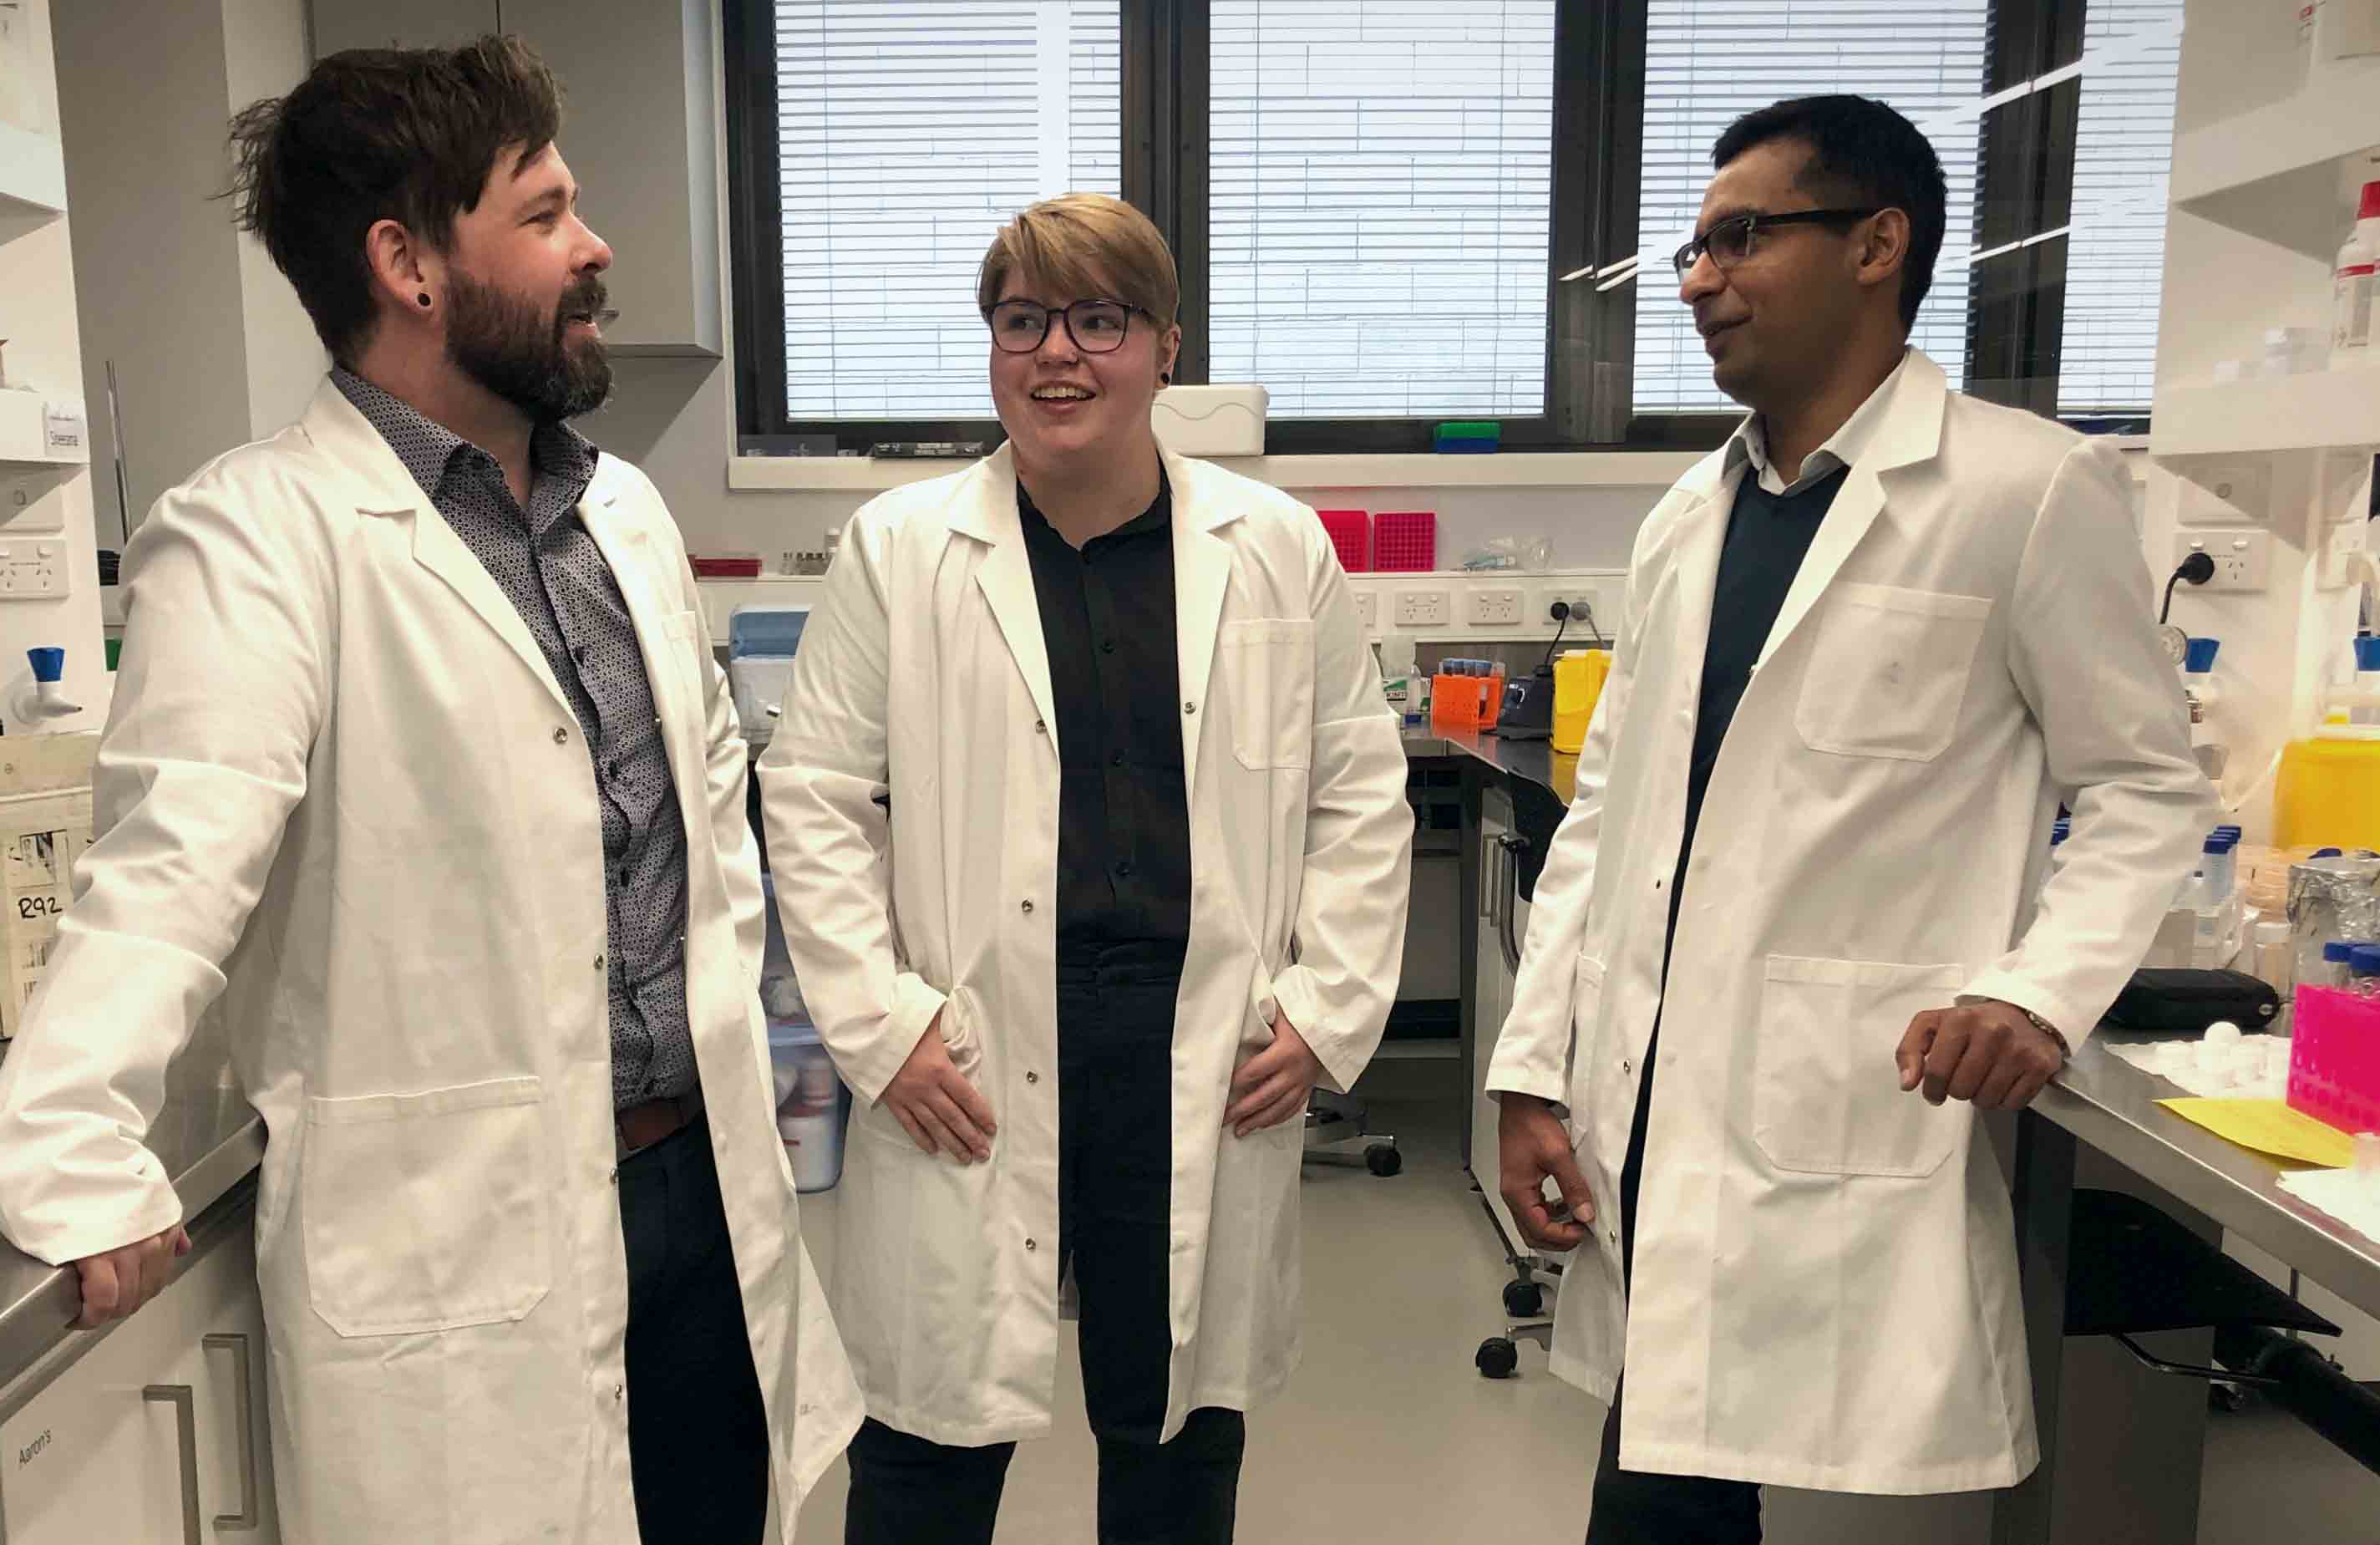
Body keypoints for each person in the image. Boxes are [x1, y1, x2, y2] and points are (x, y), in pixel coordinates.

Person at [0, 37, 856, 1544]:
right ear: (409, 265)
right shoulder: (255, 538)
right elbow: (172, 861)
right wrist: (67, 1133)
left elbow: (708, 816)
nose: (595, 247)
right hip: (463, 1249)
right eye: (545, 212)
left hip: (705, 1205)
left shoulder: (623, 510)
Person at [1486, 95, 2216, 1542]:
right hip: (1650, 1090)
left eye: (1740, 238)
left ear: (1877, 245)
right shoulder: (1686, 516)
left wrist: (2037, 990)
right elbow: (1606, 817)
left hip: (1846, 1097)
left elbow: (2144, 785)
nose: (1697, 279)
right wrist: (1529, 1070)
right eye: (1694, 247)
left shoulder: (2025, 489)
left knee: (1704, 1493)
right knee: (1666, 1474)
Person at [759, 192, 1414, 1545]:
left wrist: (1323, 1009)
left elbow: (1357, 790)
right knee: (925, 1450)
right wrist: (881, 1027)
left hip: (1199, 1042)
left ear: (1165, 346)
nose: (1055, 353)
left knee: (1172, 1437)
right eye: (1021, 321)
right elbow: (813, 798)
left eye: (1097, 320)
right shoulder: (901, 548)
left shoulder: (1272, 546)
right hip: (974, 1042)